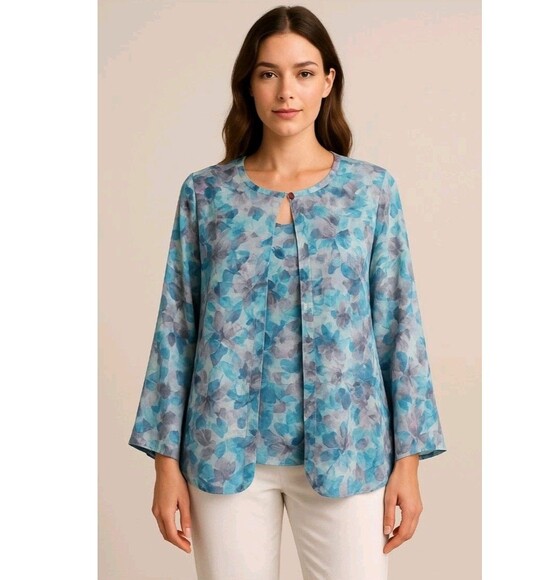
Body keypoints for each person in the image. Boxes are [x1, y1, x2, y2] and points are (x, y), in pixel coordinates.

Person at [128, 5, 447, 579]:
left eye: (304, 72)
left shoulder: (370, 191)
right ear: (248, 85)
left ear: (328, 82)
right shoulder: (206, 194)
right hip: (222, 449)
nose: (286, 91)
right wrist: (165, 464)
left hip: (349, 451)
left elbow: (398, 324)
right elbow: (176, 328)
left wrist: (409, 461)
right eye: (268, 73)